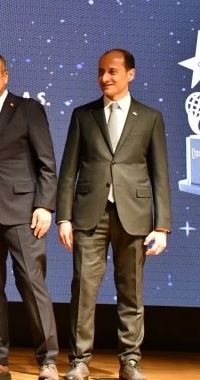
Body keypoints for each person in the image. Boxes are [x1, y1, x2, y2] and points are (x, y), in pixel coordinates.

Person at [56, 49, 171, 380]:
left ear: (130, 74)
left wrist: (162, 226)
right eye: (100, 71)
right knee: (83, 291)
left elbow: (160, 174)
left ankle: (130, 361)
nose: (105, 78)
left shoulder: (149, 117)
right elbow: (68, 171)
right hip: (89, 216)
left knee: (131, 292)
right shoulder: (84, 115)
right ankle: (79, 361)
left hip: (134, 217)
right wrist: (64, 217)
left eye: (112, 71)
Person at [0, 52, 60, 380]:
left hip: (23, 214)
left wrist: (44, 206)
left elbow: (47, 163)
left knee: (32, 286)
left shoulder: (27, 109)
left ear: (5, 76)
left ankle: (48, 361)